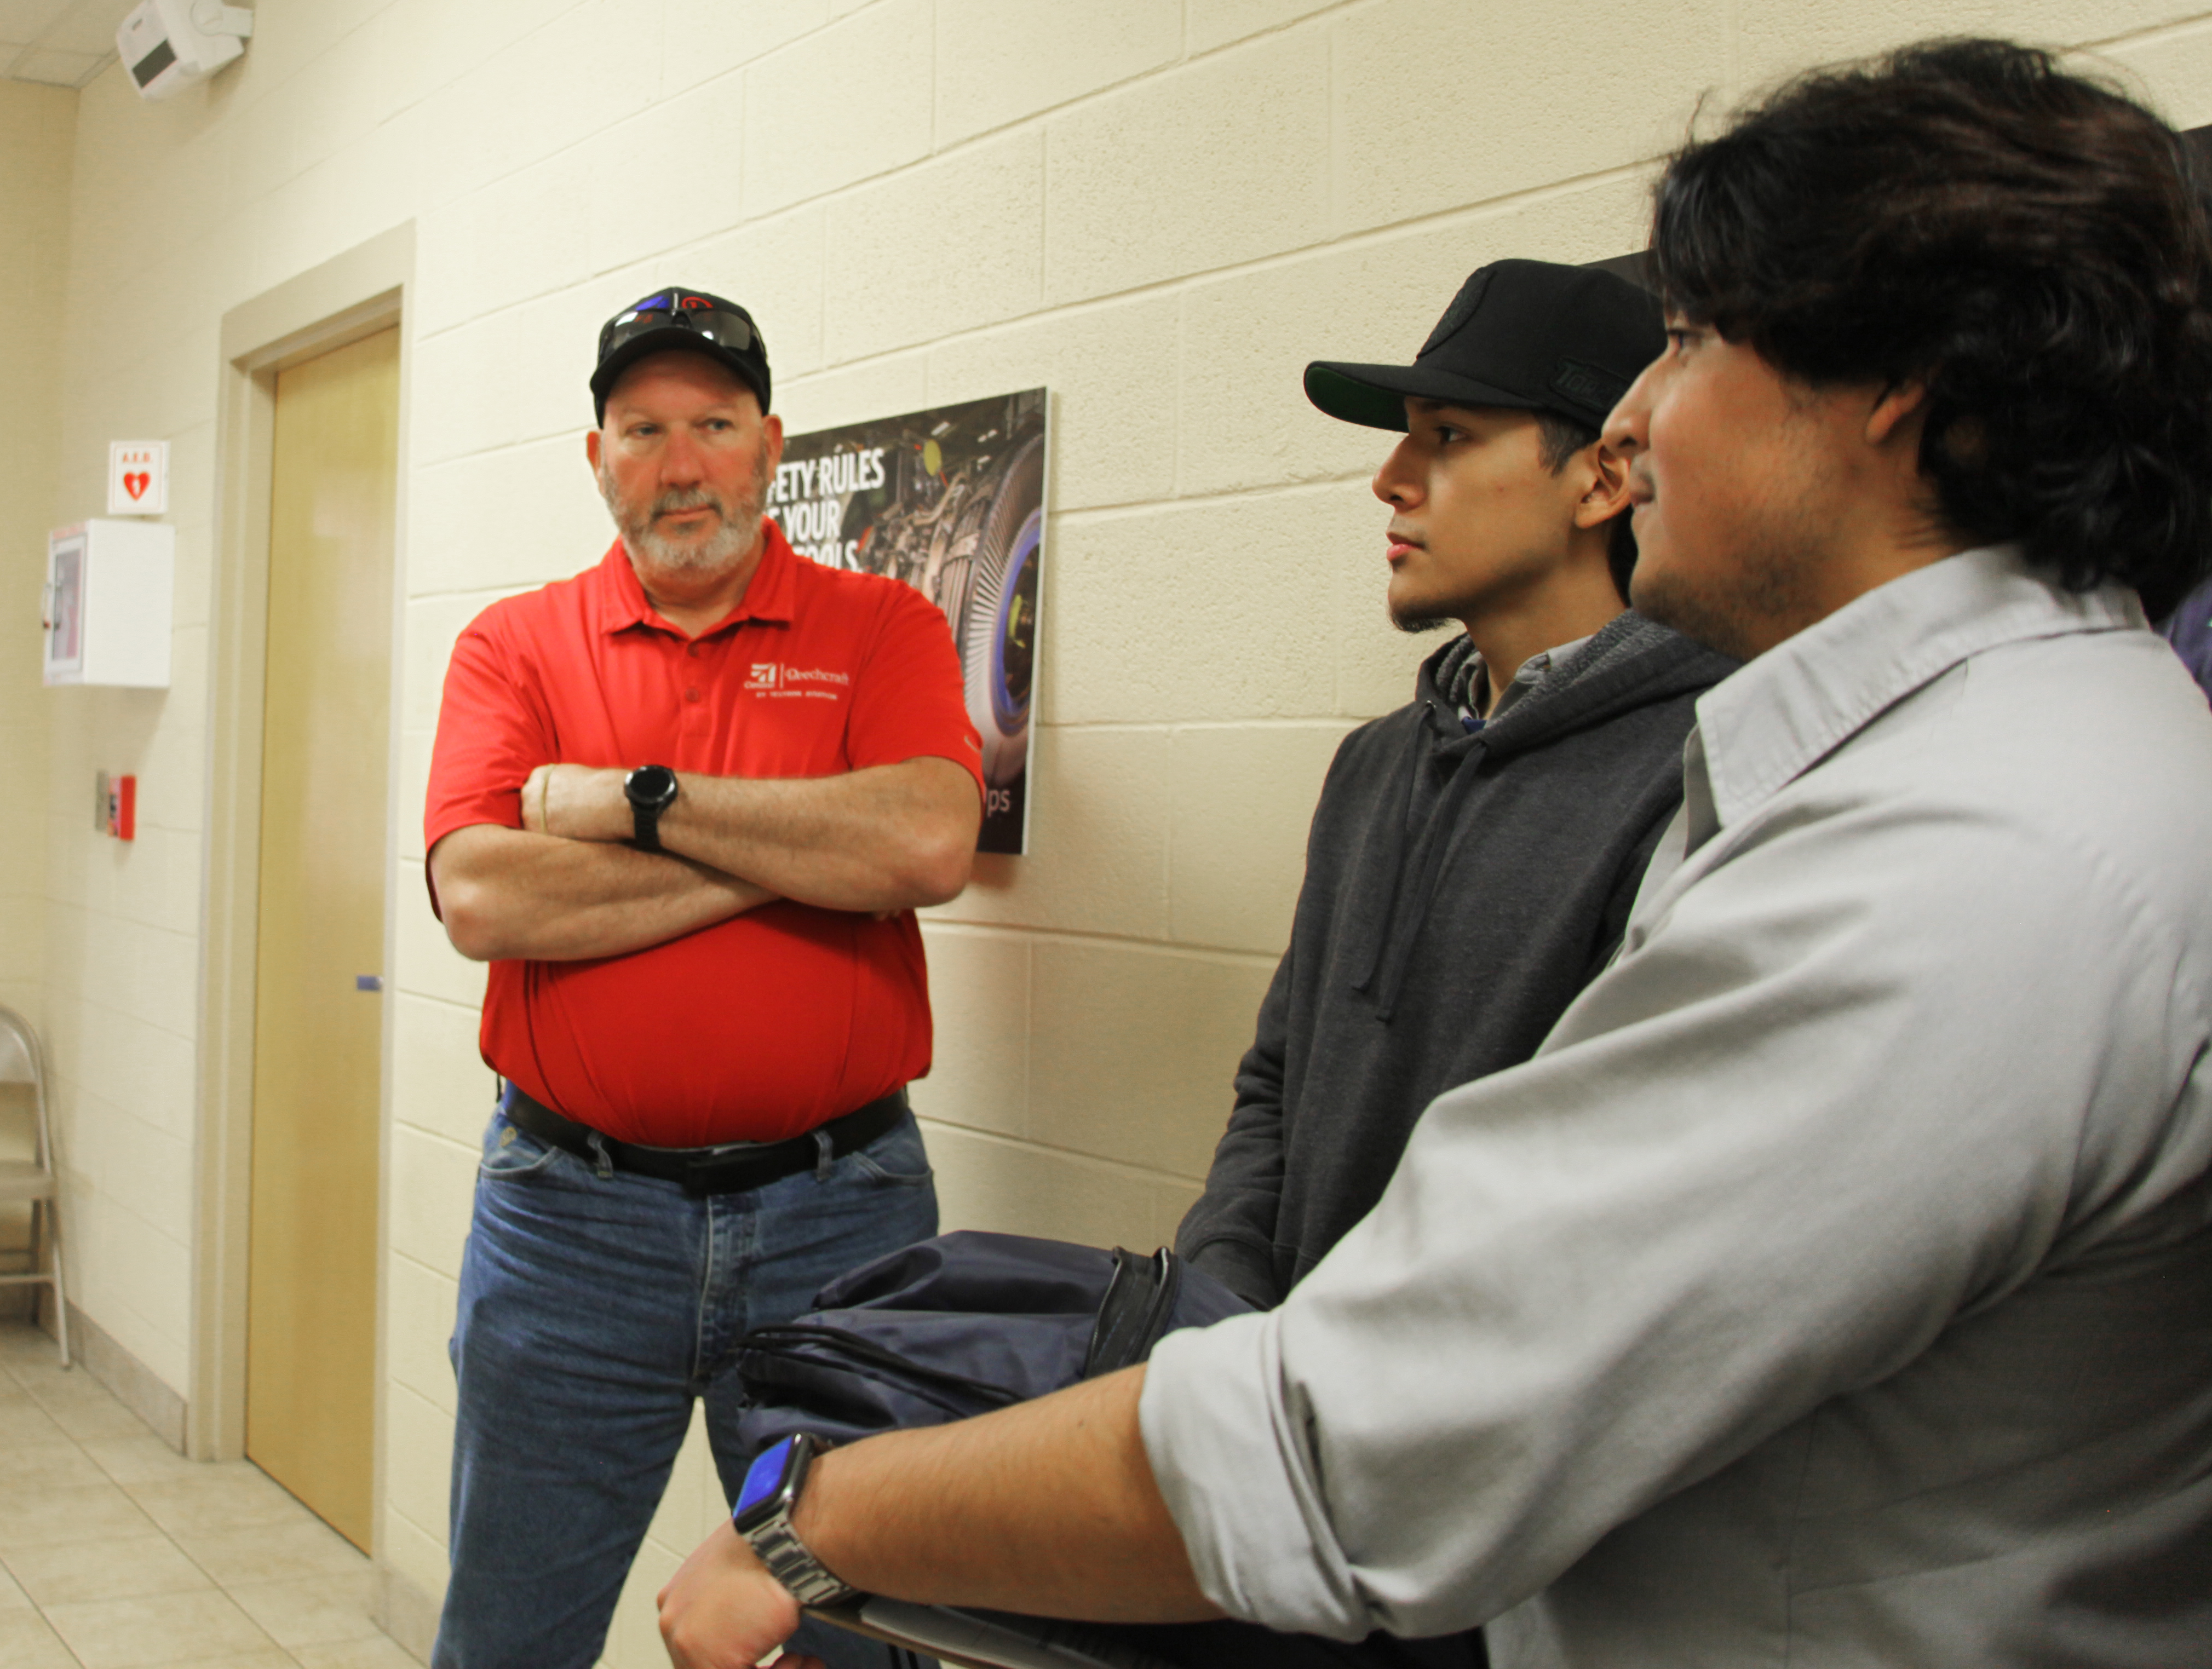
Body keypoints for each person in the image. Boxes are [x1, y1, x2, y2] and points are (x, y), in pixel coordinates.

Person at [658, 38, 2212, 1668]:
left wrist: (811, 1523)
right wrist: (1224, 1305)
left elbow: (1360, 1448)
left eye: (1687, 342)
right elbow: (1294, 1124)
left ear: (1894, 386)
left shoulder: (1965, 856)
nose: (1639, 414)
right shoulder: (1955, 766)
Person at [422, 286, 986, 1668]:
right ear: (598, 454)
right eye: (646, 428)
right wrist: (802, 843)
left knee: (859, 1629)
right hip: (569, 1226)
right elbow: (483, 894)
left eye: (715, 426)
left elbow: (924, 839)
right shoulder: (515, 644)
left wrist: (636, 802)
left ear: (771, 443)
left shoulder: (885, 626)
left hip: (840, 1217)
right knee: (511, 1632)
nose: (683, 464)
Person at [1175, 259, 1728, 1319]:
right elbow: (1276, 1088)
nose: (1391, 478)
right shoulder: (1374, 765)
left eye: (1449, 437)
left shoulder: (1700, 775)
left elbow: (1603, 1194)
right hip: (1274, 1400)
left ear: (1603, 480)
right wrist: (1223, 1306)